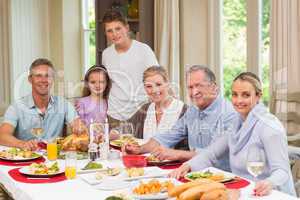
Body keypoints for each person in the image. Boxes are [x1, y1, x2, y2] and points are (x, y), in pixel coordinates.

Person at [169, 72, 296, 196]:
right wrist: (188, 165)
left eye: (246, 95)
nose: (239, 100)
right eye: (235, 95)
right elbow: (212, 153)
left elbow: (282, 170)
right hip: (245, 190)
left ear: (258, 96)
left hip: (271, 193)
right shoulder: (236, 123)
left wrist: (269, 182)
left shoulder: (269, 127)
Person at [124, 65, 236, 170]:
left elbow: (213, 154)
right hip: (195, 173)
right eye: (190, 87)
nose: (194, 92)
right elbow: (168, 136)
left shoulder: (228, 114)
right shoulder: (193, 111)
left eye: (198, 86)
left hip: (223, 177)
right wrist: (139, 149)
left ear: (214, 87)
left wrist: (176, 154)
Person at [0, 58, 87, 150]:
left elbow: (78, 125)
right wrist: (22, 144)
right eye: (38, 76)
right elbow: (2, 135)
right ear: (30, 79)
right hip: (26, 160)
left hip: (55, 159)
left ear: (52, 79)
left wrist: (79, 127)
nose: (43, 80)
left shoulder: (63, 104)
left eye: (48, 76)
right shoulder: (16, 107)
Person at [101, 10, 159, 126]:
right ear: (106, 33)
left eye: (118, 29)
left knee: (139, 144)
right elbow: (107, 83)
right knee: (114, 144)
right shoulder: (106, 54)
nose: (114, 34)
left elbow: (157, 79)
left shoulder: (144, 50)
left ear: (126, 28)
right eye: (109, 31)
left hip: (140, 113)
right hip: (114, 114)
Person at [127, 66, 187, 147]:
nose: (154, 90)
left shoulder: (184, 111)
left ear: (167, 84)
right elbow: (126, 127)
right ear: (144, 88)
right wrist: (114, 133)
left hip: (175, 159)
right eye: (149, 86)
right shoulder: (145, 109)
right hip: (144, 158)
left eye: (158, 84)